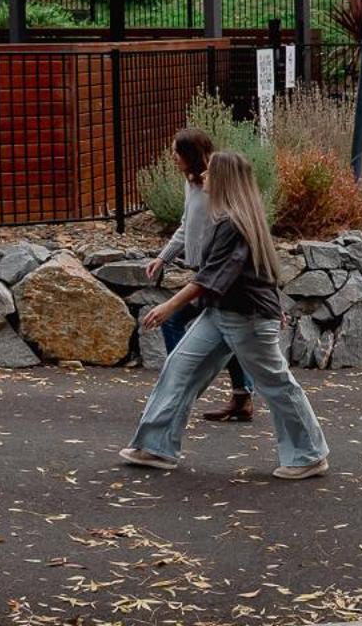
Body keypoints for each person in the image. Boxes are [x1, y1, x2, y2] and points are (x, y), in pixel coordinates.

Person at [119, 150, 330, 479]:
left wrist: (168, 307)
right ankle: (156, 448)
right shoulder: (231, 218)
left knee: (276, 384)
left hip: (246, 319)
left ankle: (309, 455)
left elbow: (212, 277)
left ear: (225, 179)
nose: (203, 176)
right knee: (180, 370)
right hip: (221, 314)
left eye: (210, 173)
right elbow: (253, 271)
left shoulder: (234, 223)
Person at [148, 128, 254, 422]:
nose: (173, 157)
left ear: (190, 154)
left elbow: (233, 232)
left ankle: (179, 383)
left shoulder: (216, 184)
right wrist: (163, 257)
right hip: (203, 272)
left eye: (177, 152)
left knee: (175, 320)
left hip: (216, 277)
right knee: (226, 335)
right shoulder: (192, 184)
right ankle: (241, 395)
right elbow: (186, 226)